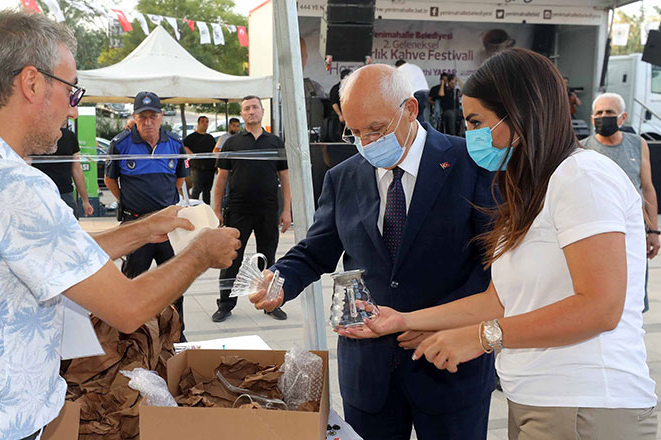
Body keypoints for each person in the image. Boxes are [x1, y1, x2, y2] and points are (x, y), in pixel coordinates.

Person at [0, 10, 240, 440]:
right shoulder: (13, 186)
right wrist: (201, 253)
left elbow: (56, 253)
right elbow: (127, 308)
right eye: (72, 91)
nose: (73, 110)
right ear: (32, 83)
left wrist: (147, 227)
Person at [341, 49, 658, 440]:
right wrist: (405, 320)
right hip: (538, 400)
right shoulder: (530, 189)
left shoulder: (583, 177)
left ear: (521, 114)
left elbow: (600, 306)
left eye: (477, 121)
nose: (470, 134)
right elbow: (500, 298)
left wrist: (481, 336)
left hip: (587, 402)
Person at [250, 65, 497, 440]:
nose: (366, 142)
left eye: (377, 129)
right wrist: (280, 281)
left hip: (450, 364)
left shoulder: (471, 164)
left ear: (411, 109)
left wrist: (431, 322)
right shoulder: (344, 177)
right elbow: (316, 251)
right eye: (355, 132)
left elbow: (493, 267)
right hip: (370, 372)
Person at [104, 91, 190, 339]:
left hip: (168, 228)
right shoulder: (120, 143)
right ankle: (129, 335)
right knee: (131, 283)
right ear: (135, 117)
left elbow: (180, 180)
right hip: (136, 225)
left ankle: (176, 333)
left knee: (175, 282)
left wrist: (162, 209)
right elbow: (110, 180)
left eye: (153, 116)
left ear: (161, 117)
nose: (148, 122)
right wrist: (129, 203)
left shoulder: (174, 143)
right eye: (143, 117)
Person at [211, 95, 292, 323]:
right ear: (242, 114)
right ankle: (225, 304)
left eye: (255, 107)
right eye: (246, 108)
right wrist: (216, 210)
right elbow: (221, 180)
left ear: (262, 111)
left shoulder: (275, 142)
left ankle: (269, 303)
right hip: (238, 209)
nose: (251, 111)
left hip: (268, 210)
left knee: (269, 258)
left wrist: (286, 210)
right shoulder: (231, 143)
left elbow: (285, 178)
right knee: (231, 258)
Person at [579, 92, 659, 310]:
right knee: (603, 296)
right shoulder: (582, 148)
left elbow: (648, 189)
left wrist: (653, 231)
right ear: (592, 117)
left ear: (622, 118)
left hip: (633, 232)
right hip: (599, 233)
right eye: (599, 113)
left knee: (635, 297)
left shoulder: (637, 144)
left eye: (610, 113)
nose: (603, 117)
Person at [32, 123, 94, 218]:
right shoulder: (34, 136)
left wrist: (85, 200)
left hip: (61, 193)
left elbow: (76, 169)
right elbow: (76, 169)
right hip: (42, 193)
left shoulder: (69, 137)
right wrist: (85, 201)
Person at [182, 115, 217, 204]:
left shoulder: (210, 138)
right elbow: (183, 146)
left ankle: (207, 209)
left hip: (210, 168)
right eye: (202, 121)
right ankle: (194, 209)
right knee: (196, 190)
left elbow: (215, 151)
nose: (205, 124)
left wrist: (217, 166)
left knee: (207, 191)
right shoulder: (191, 137)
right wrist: (192, 155)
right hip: (197, 168)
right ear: (198, 123)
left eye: (207, 122)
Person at [395, 59, 429, 124]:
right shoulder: (415, 67)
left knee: (413, 115)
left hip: (416, 93)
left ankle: (416, 132)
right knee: (420, 113)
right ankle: (422, 129)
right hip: (425, 91)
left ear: (397, 65)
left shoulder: (400, 69)